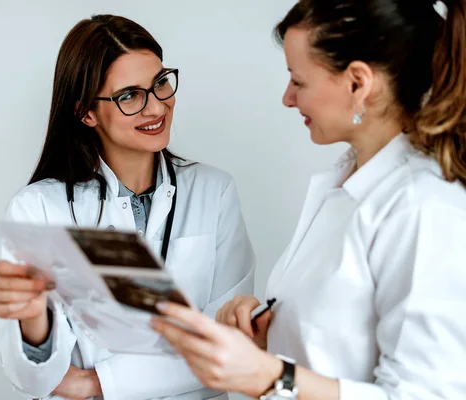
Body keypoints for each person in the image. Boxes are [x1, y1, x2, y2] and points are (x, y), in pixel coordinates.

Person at [151, 0, 466, 399]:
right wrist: (271, 334)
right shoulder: (344, 181)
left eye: (298, 82)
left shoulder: (424, 207)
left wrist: (270, 374)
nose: (287, 98)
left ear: (358, 83)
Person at [0, 14, 255, 400]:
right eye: (129, 95)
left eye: (160, 83)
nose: (157, 107)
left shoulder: (214, 192)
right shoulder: (39, 209)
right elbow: (32, 378)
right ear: (86, 112)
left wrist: (96, 383)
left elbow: (227, 346)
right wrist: (32, 318)